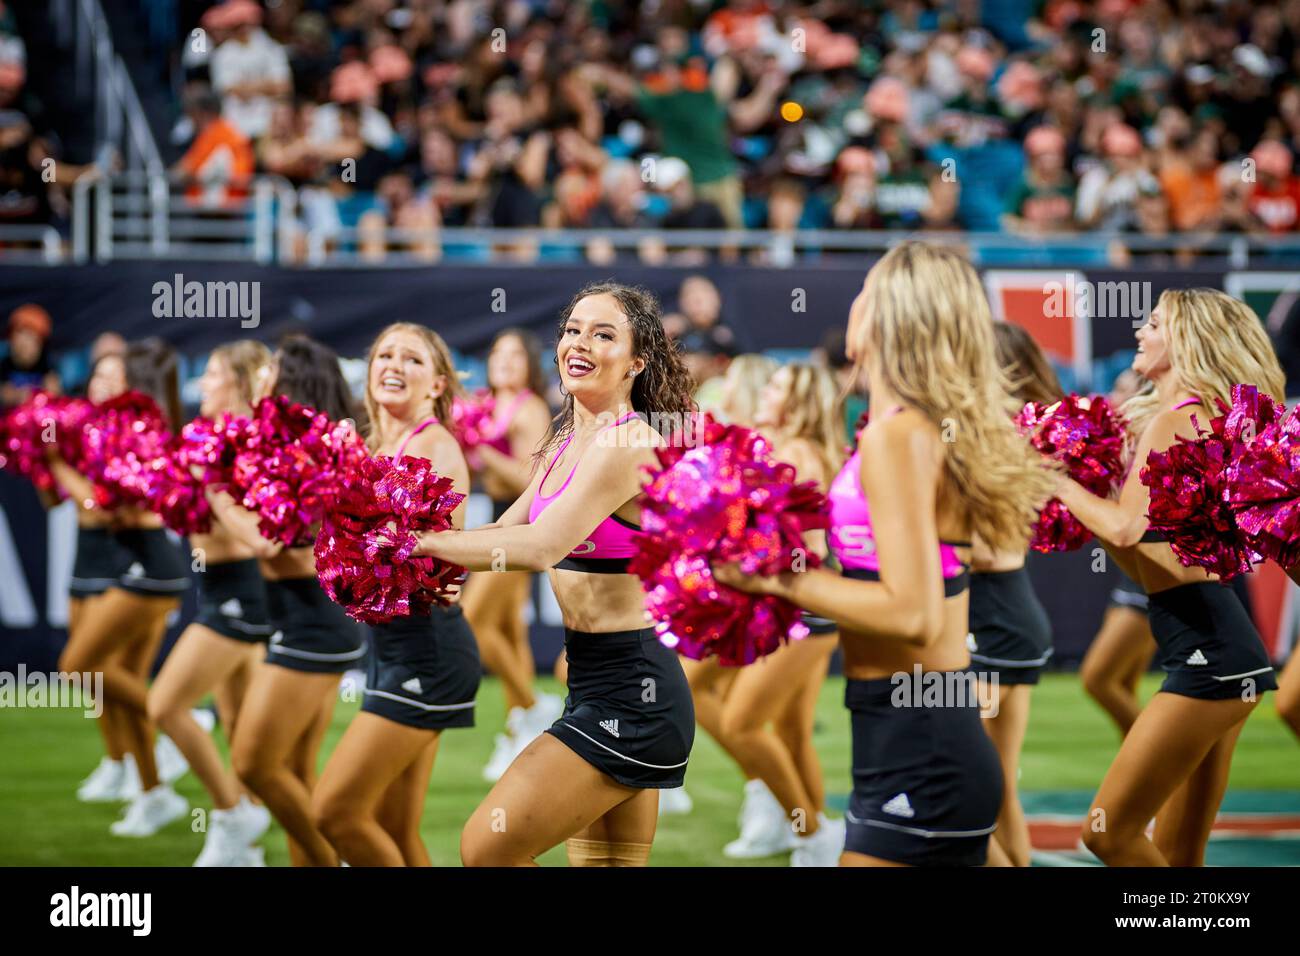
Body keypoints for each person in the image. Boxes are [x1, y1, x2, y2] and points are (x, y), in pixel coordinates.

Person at [716, 242, 1055, 867]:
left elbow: (912, 614)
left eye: (865, 290)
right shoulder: (904, 428)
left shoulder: (899, 436)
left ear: (896, 314)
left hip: (920, 734)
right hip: (909, 721)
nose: (853, 303)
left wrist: (774, 577)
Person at [412, 282, 697, 866]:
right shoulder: (565, 437)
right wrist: (432, 558)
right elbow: (503, 533)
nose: (579, 342)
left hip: (635, 689)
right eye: (572, 329)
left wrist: (417, 542)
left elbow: (541, 547)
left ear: (638, 361)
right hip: (591, 680)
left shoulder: (629, 442)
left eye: (603, 333)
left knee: (484, 848)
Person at [1055, 288, 1283, 866]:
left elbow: (1130, 533)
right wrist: (1099, 504)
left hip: (1211, 655)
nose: (1140, 330)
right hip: (1229, 651)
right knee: (1180, 855)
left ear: (1185, 340)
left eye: (1154, 323)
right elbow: (1155, 555)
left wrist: (1056, 483)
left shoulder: (1174, 421)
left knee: (1107, 834)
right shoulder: (1202, 416)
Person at [312, 324, 480, 866]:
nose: (394, 364)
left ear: (436, 384)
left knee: (333, 813)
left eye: (412, 359)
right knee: (396, 829)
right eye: (385, 354)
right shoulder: (370, 447)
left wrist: (357, 545)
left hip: (427, 650)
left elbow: (437, 564)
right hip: (391, 650)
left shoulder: (434, 444)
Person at [209, 334, 364, 867]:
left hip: (313, 625)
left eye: (273, 368)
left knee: (252, 764)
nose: (264, 375)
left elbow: (268, 540)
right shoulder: (290, 446)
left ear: (292, 379)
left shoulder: (311, 450)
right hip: (299, 616)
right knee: (295, 770)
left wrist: (217, 495)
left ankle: (334, 852)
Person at [52, 339, 193, 836]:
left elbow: (102, 506)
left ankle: (177, 717)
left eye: (116, 376)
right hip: (130, 563)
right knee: (108, 679)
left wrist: (55, 464)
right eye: (99, 376)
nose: (104, 384)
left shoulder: (140, 429)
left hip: (152, 568)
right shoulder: (109, 429)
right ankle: (153, 792)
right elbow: (68, 502)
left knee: (78, 667)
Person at [146, 341, 274, 867]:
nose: (204, 383)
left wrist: (211, 490)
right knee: (242, 730)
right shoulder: (209, 441)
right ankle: (244, 842)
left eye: (215, 374)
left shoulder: (252, 446)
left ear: (242, 385)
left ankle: (231, 815)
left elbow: (260, 535)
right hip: (217, 586)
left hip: (244, 590)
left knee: (165, 705)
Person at [714, 363, 846, 866]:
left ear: (797, 402)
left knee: (742, 722)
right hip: (802, 608)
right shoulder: (792, 448)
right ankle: (812, 830)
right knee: (791, 734)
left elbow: (806, 549)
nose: (765, 391)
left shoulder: (797, 453)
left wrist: (744, 565)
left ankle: (811, 832)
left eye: (777, 386)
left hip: (805, 611)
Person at [968, 322, 1061, 867]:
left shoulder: (1001, 437)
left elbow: (990, 548)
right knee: (997, 783)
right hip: (1008, 615)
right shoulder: (1007, 432)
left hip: (994, 620)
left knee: (961, 780)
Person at [462, 328, 559, 783]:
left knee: (472, 621)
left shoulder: (531, 407)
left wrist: (478, 448)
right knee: (509, 631)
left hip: (520, 526)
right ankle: (520, 724)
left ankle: (533, 706)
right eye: (497, 352)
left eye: (514, 354)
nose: (503, 360)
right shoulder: (483, 406)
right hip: (500, 517)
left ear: (529, 364)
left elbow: (533, 481)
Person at [1079, 369, 1158, 737]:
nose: (1111, 396)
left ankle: (1157, 758)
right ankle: (1147, 770)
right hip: (1132, 573)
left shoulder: (1149, 442)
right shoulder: (1120, 444)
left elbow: (1125, 526)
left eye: (1122, 390)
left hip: (1152, 575)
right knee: (1122, 684)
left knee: (1097, 679)